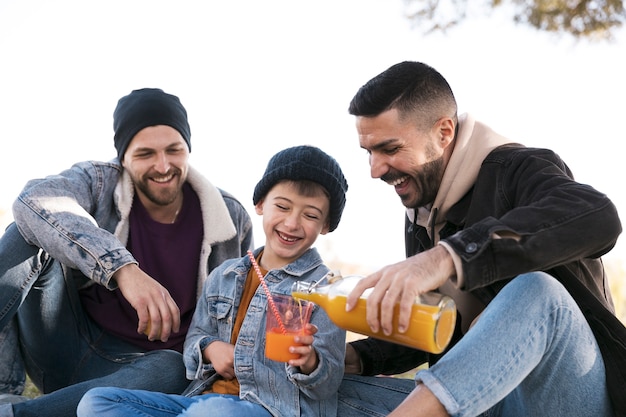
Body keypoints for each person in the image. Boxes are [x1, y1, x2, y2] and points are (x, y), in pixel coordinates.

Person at [336, 61, 626, 417]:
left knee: (537, 291)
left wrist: (445, 258)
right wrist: (356, 358)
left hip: (569, 398)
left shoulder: (519, 169)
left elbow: (599, 217)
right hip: (487, 404)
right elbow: (439, 331)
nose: (375, 169)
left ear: (444, 132)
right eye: (369, 152)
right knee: (326, 392)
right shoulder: (422, 214)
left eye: (390, 149)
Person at [0, 88, 254, 417]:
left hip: (146, 375)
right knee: (29, 228)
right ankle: (4, 391)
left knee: (173, 367)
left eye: (174, 150)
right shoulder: (99, 182)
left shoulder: (230, 218)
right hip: (64, 344)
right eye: (145, 153)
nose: (162, 165)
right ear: (123, 158)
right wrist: (122, 269)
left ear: (187, 150)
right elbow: (35, 201)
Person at [76, 144, 349, 417]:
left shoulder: (324, 290)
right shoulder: (226, 275)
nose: (291, 223)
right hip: (201, 402)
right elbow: (196, 338)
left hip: (271, 409)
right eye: (282, 206)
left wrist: (309, 361)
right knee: (96, 403)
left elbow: (328, 381)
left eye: (310, 215)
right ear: (261, 205)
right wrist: (210, 348)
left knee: (213, 412)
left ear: (325, 225)